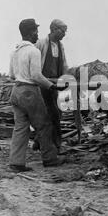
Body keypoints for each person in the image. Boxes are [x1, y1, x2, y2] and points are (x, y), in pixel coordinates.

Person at [9, 18, 63, 172]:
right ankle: (50, 159)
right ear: (31, 32)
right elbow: (37, 76)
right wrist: (52, 86)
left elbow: (12, 75)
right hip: (29, 92)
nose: (37, 34)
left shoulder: (15, 51)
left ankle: (16, 163)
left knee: (20, 128)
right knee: (44, 124)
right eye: (36, 31)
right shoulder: (34, 51)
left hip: (16, 91)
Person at [35, 19, 69, 150]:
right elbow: (35, 63)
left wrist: (66, 78)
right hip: (43, 84)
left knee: (57, 112)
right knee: (50, 112)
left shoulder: (60, 46)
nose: (64, 34)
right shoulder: (41, 43)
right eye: (63, 31)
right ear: (54, 29)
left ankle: (39, 141)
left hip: (56, 84)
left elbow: (64, 64)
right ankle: (55, 143)